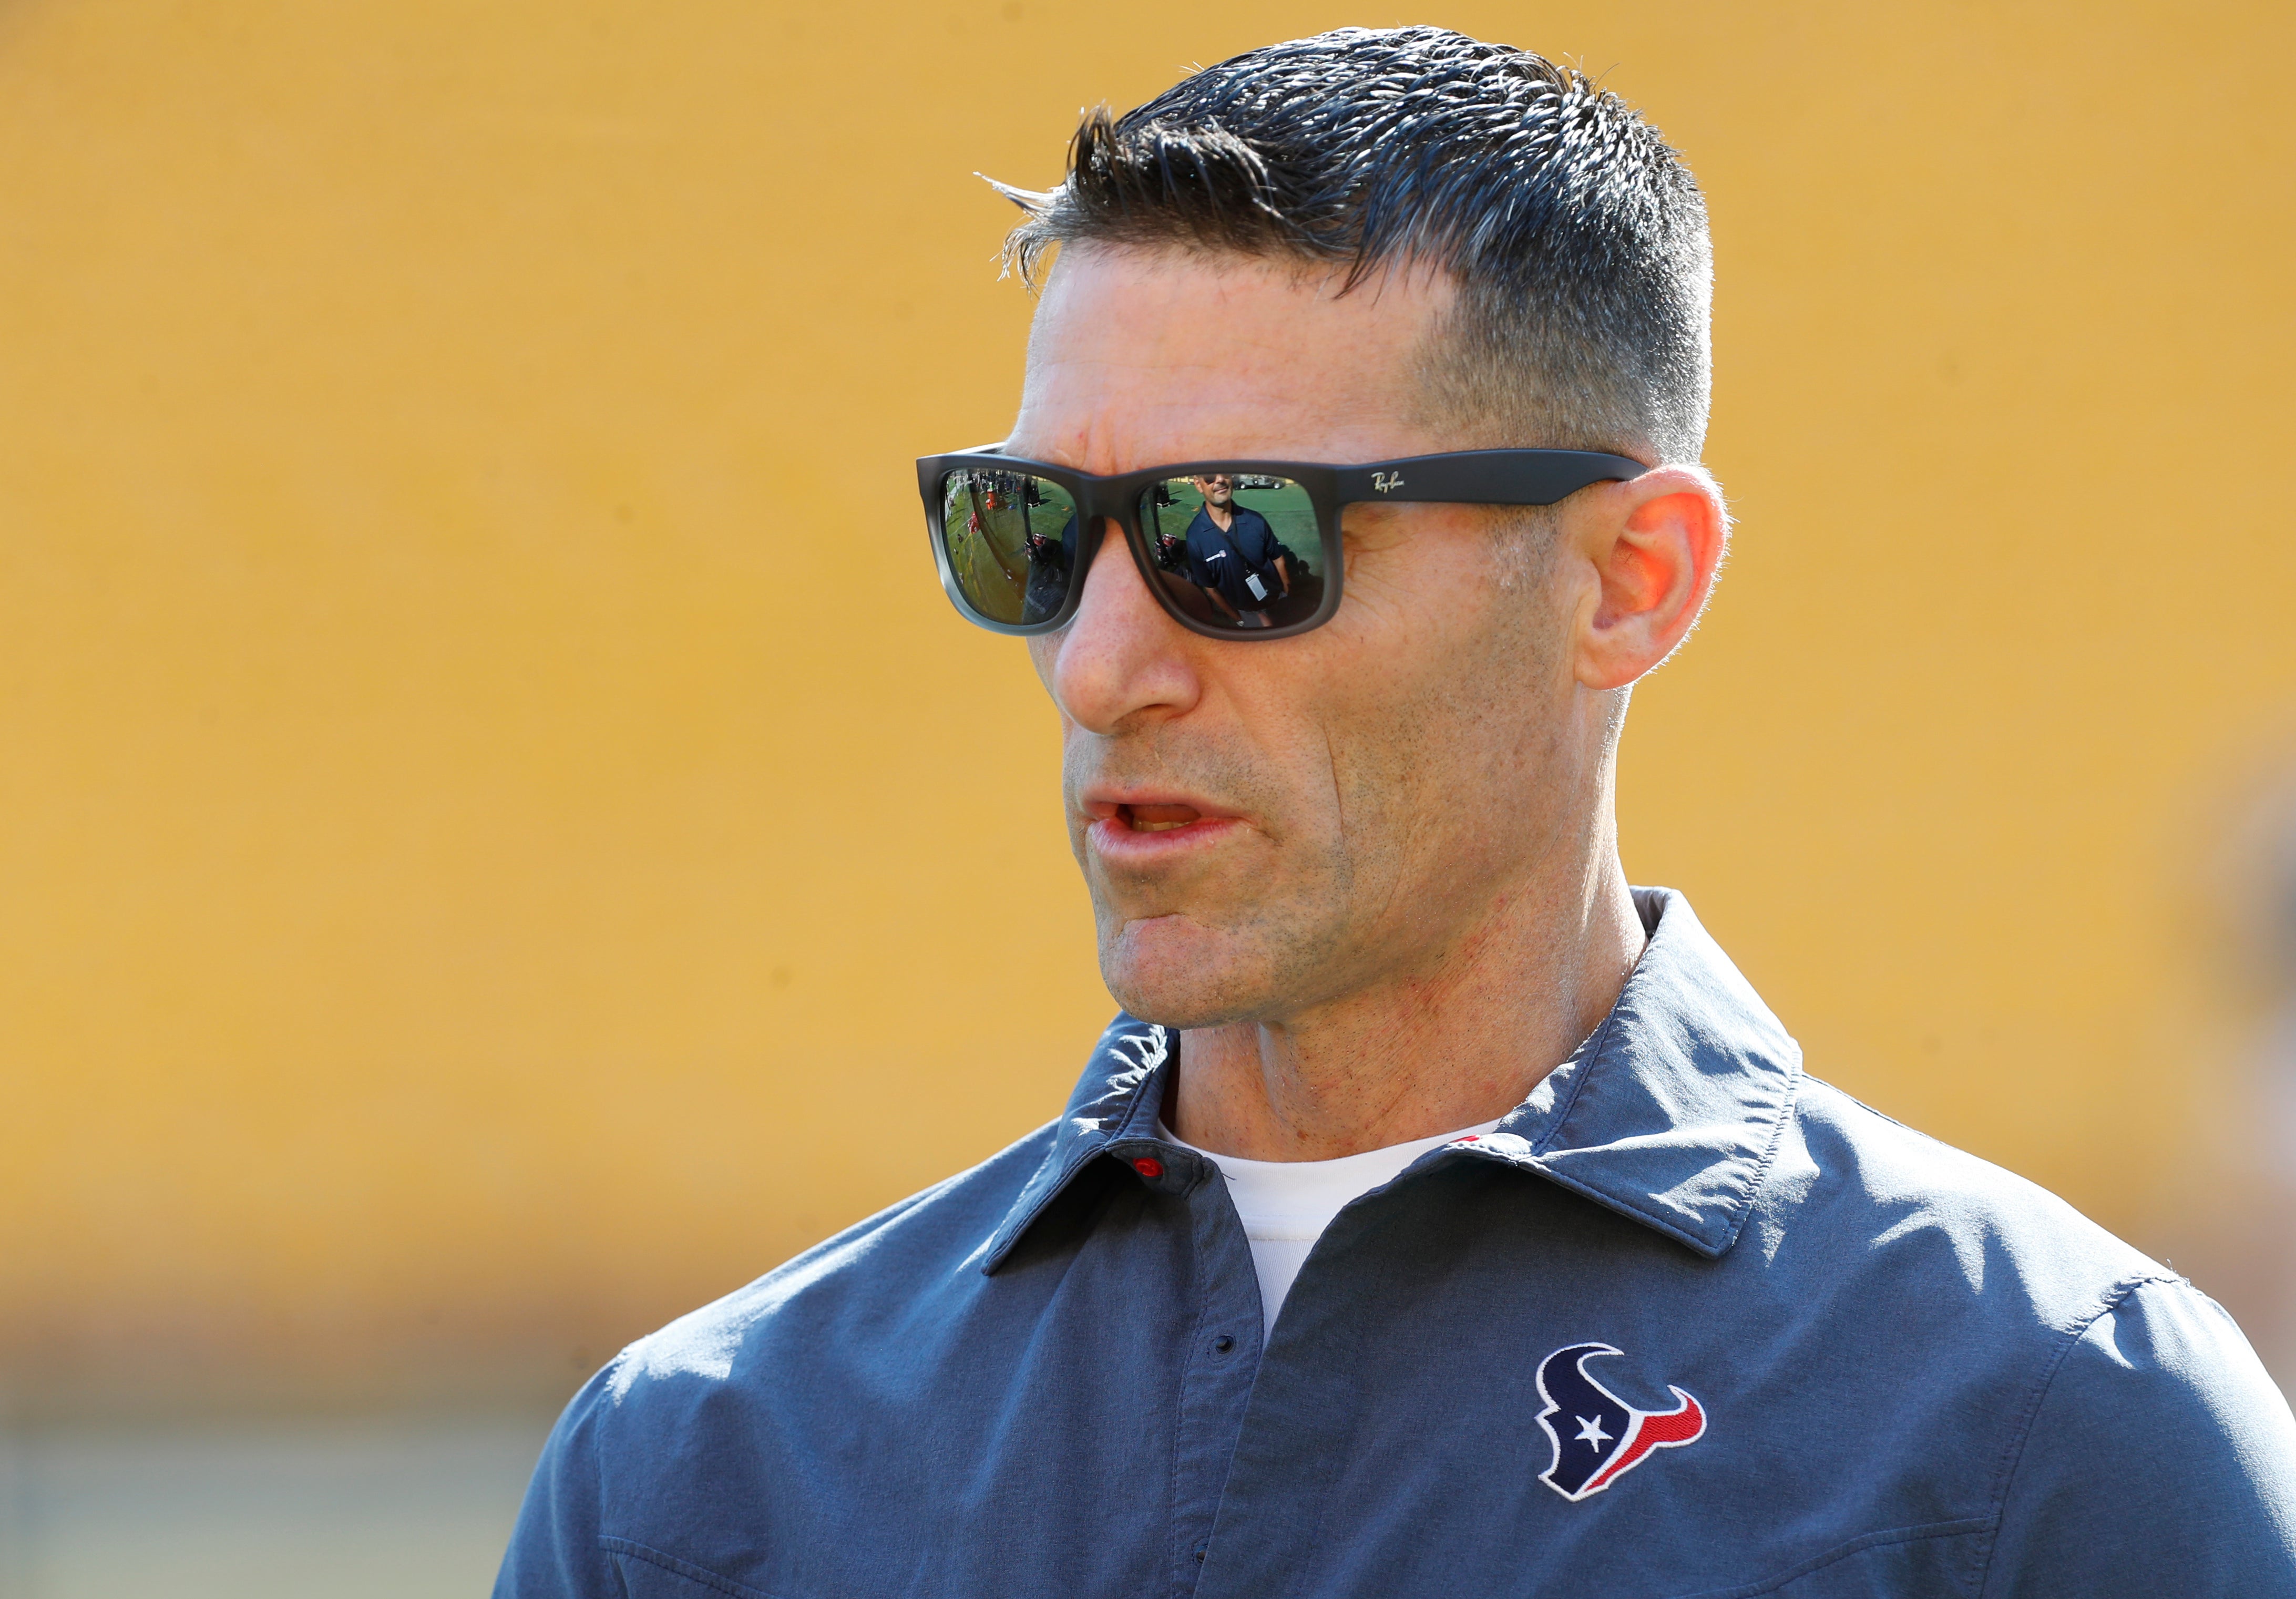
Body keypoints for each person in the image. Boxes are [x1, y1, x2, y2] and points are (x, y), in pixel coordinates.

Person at [497, 27, 2296, 1598]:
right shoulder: (701, 1481)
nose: (1098, 664)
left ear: (1625, 581)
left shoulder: (2044, 1432)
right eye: (1031, 535)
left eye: (1234, 539)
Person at [1181, 473, 1290, 626]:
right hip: (1246, 612)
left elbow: (1278, 559)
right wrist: (1239, 619)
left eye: (1225, 473)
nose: (1220, 479)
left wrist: (1286, 594)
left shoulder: (1255, 521)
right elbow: (1211, 589)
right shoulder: (1195, 537)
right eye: (1210, 476)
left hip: (1277, 601)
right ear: (1199, 485)